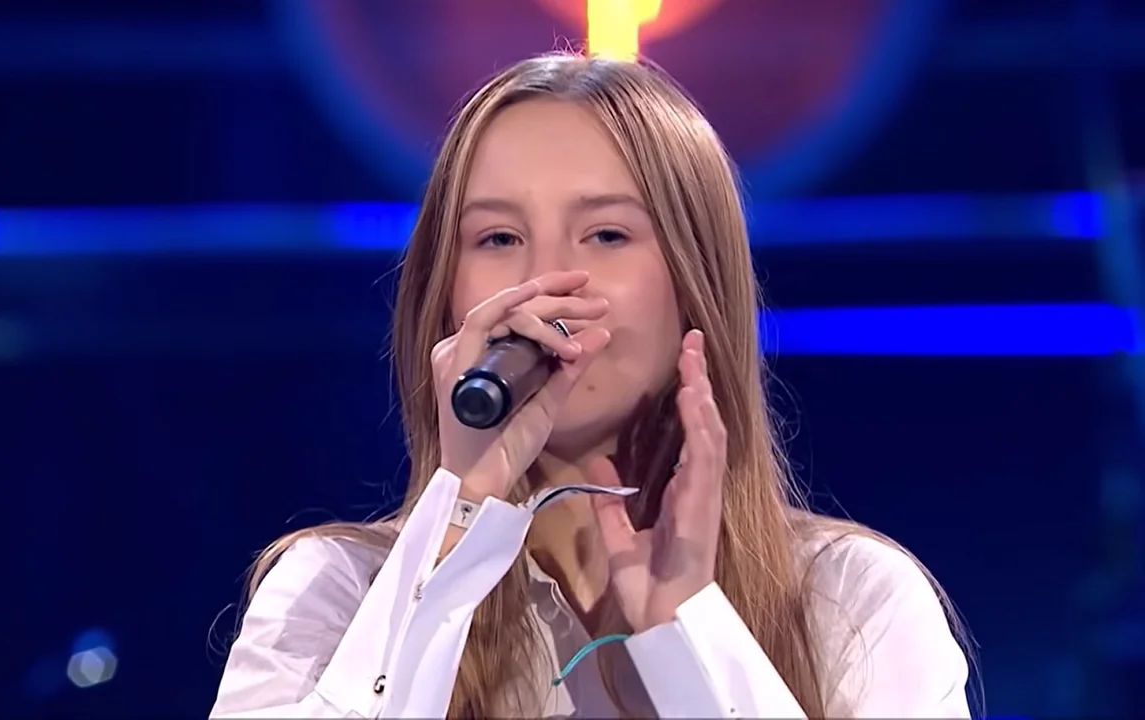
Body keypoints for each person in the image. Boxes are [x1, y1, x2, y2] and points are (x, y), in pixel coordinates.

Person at [210, 52, 972, 719]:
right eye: (498, 238)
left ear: (694, 285)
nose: (545, 284)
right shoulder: (330, 596)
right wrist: (456, 523)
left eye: (606, 234)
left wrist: (689, 631)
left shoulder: (851, 602)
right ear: (443, 299)